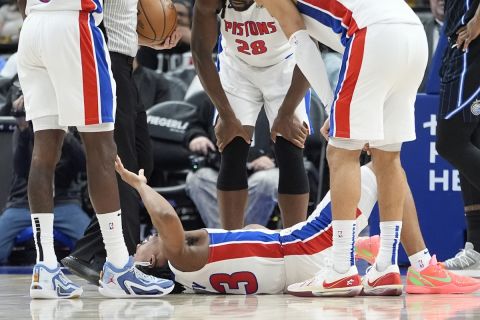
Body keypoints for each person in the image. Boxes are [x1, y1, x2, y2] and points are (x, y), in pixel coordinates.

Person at [251, 0, 428, 296]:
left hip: (373, 33)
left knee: (341, 152)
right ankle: (386, 267)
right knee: (387, 158)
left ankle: (341, 268)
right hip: (412, 33)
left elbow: (303, 45)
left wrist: (330, 104)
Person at [114, 156, 480, 295]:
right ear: (153, 263)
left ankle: (361, 244)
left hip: (297, 259)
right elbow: (165, 220)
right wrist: (142, 186)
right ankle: (421, 269)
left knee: (262, 231)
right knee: (386, 168)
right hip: (305, 245)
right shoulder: (179, 257)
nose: (141, 243)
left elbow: (251, 242)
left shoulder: (190, 279)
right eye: (139, 251)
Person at [16, 0, 174, 298]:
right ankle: (117, 266)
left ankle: (45, 269)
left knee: (43, 151)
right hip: (74, 25)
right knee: (102, 149)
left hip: (32, 26)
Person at [60, 0, 181, 286]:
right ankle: (118, 259)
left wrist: (152, 39)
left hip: (123, 64)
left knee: (141, 162)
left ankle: (92, 252)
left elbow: (118, 18)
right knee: (122, 164)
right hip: (105, 62)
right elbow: (93, 20)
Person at [192, 0, 327, 229]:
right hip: (237, 66)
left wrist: (285, 114)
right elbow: (201, 54)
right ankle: (231, 242)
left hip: (285, 63)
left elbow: (309, 51)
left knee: (290, 146)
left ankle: (295, 242)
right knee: (232, 146)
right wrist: (226, 116)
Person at [0, 95, 90, 264]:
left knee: (92, 249)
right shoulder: (24, 129)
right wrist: (24, 129)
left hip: (64, 203)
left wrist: (66, 133)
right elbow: (21, 170)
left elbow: (82, 163)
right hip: (23, 204)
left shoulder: (72, 127)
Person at [435, 0, 480, 278]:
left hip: (471, 44)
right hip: (462, 41)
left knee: (450, 142)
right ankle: (476, 249)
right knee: (471, 140)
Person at [185, 96, 279, 228]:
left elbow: (291, 137)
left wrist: (272, 157)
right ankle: (226, 237)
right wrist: (196, 137)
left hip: (260, 169)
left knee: (267, 181)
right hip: (219, 168)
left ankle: (247, 237)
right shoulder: (215, 95)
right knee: (196, 178)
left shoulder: (272, 98)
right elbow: (194, 126)